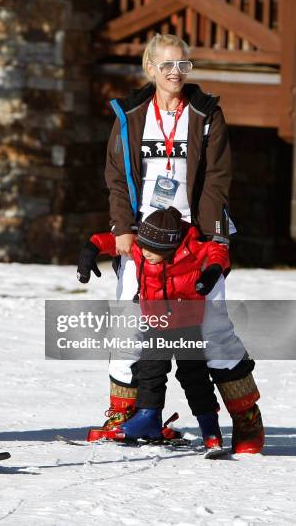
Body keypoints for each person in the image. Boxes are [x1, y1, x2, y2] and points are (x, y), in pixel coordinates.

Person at [78, 33, 263, 454]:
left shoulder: (206, 113)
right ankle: (125, 414)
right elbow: (116, 176)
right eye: (167, 65)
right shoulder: (129, 116)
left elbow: (218, 179)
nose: (176, 73)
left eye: (183, 64)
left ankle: (246, 417)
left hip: (192, 236)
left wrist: (213, 237)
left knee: (213, 329)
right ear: (150, 69)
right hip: (145, 237)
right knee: (130, 323)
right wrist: (120, 227)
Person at [79, 207, 228, 452]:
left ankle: (210, 428)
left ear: (171, 248)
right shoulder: (141, 248)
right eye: (145, 247)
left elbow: (217, 250)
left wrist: (213, 270)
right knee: (149, 373)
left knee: (195, 378)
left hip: (188, 327)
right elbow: (110, 241)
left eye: (155, 251)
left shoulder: (189, 250)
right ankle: (149, 419)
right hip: (156, 325)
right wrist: (91, 248)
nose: (147, 253)